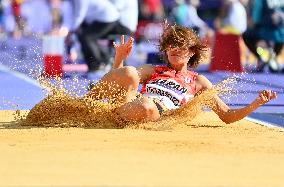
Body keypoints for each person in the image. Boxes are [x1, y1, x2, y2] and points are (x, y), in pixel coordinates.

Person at [86, 24, 277, 123]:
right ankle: (82, 106)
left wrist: (256, 104)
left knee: (147, 106)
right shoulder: (154, 70)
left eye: (180, 45)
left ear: (192, 51)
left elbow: (226, 115)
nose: (174, 49)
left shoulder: (199, 81)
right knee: (128, 71)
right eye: (171, 45)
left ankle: (106, 115)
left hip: (155, 114)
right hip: (130, 104)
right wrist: (119, 58)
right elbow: (117, 82)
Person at [242, 0, 284, 72]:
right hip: (280, 38)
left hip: (265, 36)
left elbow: (256, 20)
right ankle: (270, 58)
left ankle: (264, 57)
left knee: (247, 34)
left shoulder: (260, 1)